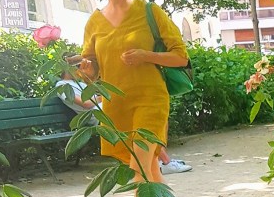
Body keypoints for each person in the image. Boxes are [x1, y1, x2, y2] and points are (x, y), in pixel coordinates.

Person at [81, 0, 191, 197]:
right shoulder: (94, 21)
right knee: (151, 170)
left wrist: (146, 55)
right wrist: (87, 69)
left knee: (140, 163)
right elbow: (91, 69)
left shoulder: (149, 12)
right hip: (117, 105)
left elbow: (180, 57)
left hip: (150, 99)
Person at [56, 63, 192, 174]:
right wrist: (107, 95)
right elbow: (85, 104)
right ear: (68, 67)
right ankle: (166, 162)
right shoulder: (61, 86)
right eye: (79, 66)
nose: (81, 69)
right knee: (144, 125)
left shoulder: (80, 84)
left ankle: (159, 160)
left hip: (109, 109)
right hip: (99, 116)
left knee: (157, 119)